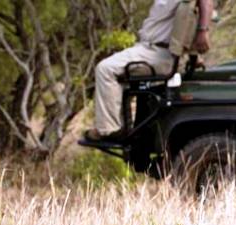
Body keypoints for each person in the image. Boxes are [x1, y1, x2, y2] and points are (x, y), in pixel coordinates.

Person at [85, 0, 214, 141]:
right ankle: (122, 125)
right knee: (118, 72)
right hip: (151, 49)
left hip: (158, 54)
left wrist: (203, 31)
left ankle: (108, 130)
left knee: (105, 69)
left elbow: (206, 2)